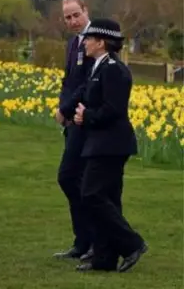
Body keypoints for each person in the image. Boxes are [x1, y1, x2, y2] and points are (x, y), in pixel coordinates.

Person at [61, 18, 148, 272]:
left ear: (101, 42)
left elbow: (114, 109)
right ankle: (104, 259)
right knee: (107, 198)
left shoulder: (114, 70)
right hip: (100, 143)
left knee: (91, 195)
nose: (84, 42)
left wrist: (85, 116)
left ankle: (132, 244)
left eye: (89, 38)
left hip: (111, 145)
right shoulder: (97, 67)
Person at [53, 0, 96, 262]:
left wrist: (66, 109)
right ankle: (82, 242)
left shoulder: (95, 42)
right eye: (67, 17)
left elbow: (87, 85)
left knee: (70, 178)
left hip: (84, 121)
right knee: (75, 181)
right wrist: (61, 107)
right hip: (71, 122)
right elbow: (69, 81)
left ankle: (93, 240)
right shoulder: (73, 43)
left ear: (85, 10)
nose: (72, 21)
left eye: (75, 15)